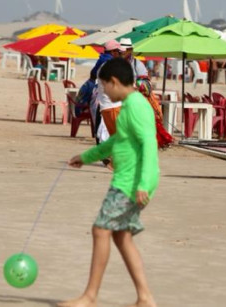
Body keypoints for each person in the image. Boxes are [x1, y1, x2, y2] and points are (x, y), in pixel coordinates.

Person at [62, 58, 159, 307]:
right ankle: (145, 298)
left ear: (115, 82)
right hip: (129, 181)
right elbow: (115, 143)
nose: (103, 90)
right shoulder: (129, 105)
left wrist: (143, 185)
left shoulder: (136, 106)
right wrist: (85, 157)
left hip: (130, 183)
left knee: (101, 230)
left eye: (104, 85)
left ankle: (90, 297)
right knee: (121, 236)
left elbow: (150, 144)